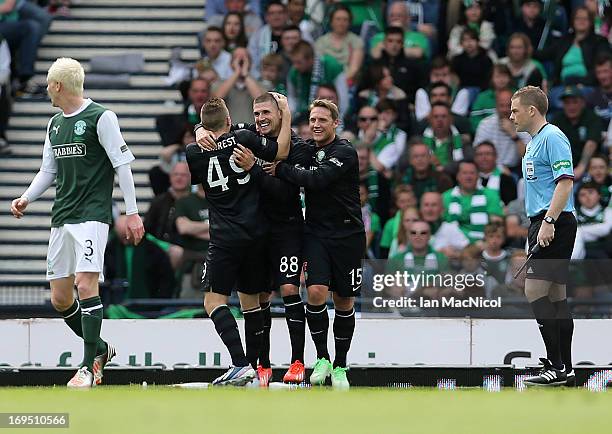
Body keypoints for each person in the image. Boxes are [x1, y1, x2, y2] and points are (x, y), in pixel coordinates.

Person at [9, 58, 145, 387]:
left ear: (58, 86)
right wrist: (27, 197)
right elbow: (48, 170)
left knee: (86, 286)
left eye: (49, 84)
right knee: (60, 298)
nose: (47, 90)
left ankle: (87, 367)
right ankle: (100, 349)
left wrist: (132, 211)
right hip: (62, 216)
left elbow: (122, 165)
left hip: (92, 215)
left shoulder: (102, 117)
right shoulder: (55, 123)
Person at [197, 92, 312, 386]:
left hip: (285, 228)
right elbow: (217, 127)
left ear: (280, 114)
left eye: (266, 113)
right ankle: (260, 365)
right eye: (257, 113)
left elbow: (286, 190)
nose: (260, 118)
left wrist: (253, 169)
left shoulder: (296, 147)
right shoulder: (245, 135)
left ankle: (297, 361)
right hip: (259, 229)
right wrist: (200, 130)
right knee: (257, 298)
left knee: (288, 288)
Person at [271, 99, 366, 389]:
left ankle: (341, 364)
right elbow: (272, 140)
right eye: (312, 119)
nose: (316, 124)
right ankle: (323, 357)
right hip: (316, 234)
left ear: (335, 123)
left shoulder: (345, 151)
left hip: (348, 235)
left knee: (343, 301)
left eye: (322, 120)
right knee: (314, 292)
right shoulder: (306, 148)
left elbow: (317, 180)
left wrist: (281, 170)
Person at [510, 85, 577, 387]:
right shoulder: (534, 143)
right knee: (555, 296)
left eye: (515, 110)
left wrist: (549, 221)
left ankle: (556, 366)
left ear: (531, 110)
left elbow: (565, 183)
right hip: (542, 221)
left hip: (554, 221)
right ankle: (567, 367)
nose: (511, 116)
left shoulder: (552, 137)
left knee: (534, 291)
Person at [442, 160, 504, 244]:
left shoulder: (490, 194)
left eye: (472, 173)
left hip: (483, 243)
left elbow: (496, 224)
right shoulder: (446, 197)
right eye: (465, 173)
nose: (468, 177)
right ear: (457, 176)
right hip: (453, 242)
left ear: (478, 176)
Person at [551, 85, 602, 180]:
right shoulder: (557, 120)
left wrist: (581, 167)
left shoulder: (592, 118)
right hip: (562, 166)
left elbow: (591, 143)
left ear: (583, 103)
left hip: (588, 167)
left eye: (575, 102)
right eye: (567, 103)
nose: (571, 106)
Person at [474, 88, 530, 174]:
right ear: (496, 106)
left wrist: (514, 136)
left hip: (516, 169)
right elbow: (479, 154)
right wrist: (499, 168)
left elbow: (529, 157)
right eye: (501, 106)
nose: (505, 110)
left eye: (508, 106)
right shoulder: (485, 124)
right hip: (489, 169)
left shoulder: (525, 125)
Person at [370, 26, 427, 104]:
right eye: (390, 41)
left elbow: (420, 91)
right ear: (384, 43)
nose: (394, 45)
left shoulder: (413, 66)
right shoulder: (376, 64)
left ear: (403, 44)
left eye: (398, 41)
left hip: (405, 105)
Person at [314, 4, 364, 85]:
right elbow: (318, 67)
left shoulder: (356, 41)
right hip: (325, 84)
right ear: (331, 21)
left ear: (349, 22)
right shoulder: (321, 42)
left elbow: (354, 69)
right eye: (338, 19)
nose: (341, 23)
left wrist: (340, 84)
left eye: (345, 20)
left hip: (348, 83)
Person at [247, 0, 288, 80]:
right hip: (263, 80)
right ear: (266, 17)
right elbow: (251, 62)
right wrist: (260, 79)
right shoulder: (257, 36)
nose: (276, 16)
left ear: (286, 15)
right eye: (272, 13)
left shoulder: (298, 33)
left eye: (280, 13)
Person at [473, 141, 518, 205]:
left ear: (495, 156)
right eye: (480, 154)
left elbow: (511, 204)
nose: (484, 158)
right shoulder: (469, 178)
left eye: (488, 154)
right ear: (475, 158)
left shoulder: (505, 179)